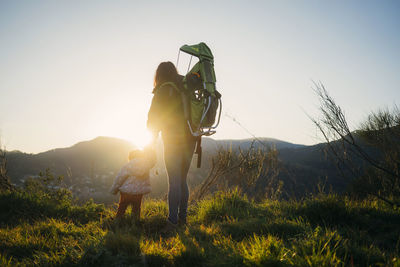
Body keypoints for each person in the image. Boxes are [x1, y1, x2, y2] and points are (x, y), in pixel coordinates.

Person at [147, 61, 196, 231]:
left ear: (158, 75)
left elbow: (153, 120)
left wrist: (151, 140)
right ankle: (183, 220)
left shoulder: (162, 91)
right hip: (191, 140)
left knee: (174, 181)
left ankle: (172, 223)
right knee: (182, 180)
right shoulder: (185, 88)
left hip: (173, 141)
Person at [110, 148, 156, 220]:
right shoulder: (146, 166)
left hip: (126, 192)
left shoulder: (127, 166)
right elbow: (153, 162)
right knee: (136, 208)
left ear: (130, 157)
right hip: (138, 192)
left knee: (122, 208)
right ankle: (135, 224)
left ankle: (117, 222)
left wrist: (114, 190)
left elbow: (119, 179)